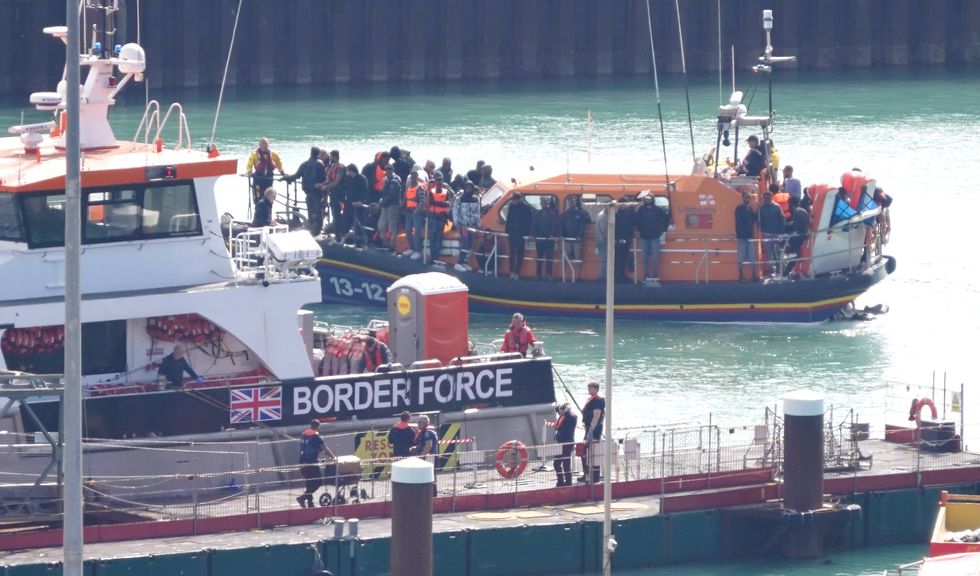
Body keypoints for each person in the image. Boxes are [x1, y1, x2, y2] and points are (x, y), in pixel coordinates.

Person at [285, 146, 326, 234]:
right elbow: (323, 178)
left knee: (310, 210)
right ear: (318, 154)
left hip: (307, 191)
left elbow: (296, 176)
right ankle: (317, 230)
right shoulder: (320, 164)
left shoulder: (304, 164)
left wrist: (287, 178)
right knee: (318, 210)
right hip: (317, 191)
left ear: (310, 153)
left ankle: (311, 227)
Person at [296, 419, 334, 508]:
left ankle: (310, 503)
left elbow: (314, 448)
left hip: (302, 461)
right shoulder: (316, 437)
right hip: (311, 462)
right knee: (318, 482)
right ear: (319, 426)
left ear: (311, 425)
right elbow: (325, 448)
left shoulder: (304, 435)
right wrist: (332, 456)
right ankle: (302, 498)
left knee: (309, 482)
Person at [635, 195, 669, 280]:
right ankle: (645, 275)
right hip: (644, 237)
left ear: (652, 200)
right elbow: (636, 220)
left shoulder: (658, 210)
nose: (647, 201)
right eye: (646, 199)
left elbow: (666, 218)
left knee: (655, 257)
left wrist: (663, 230)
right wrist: (639, 230)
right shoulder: (641, 209)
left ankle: (654, 276)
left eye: (649, 199)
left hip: (655, 236)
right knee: (644, 257)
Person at [578, 380, 605, 484]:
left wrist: (591, 430)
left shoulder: (599, 400)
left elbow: (596, 416)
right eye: (589, 387)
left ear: (596, 389)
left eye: (591, 388)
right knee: (584, 451)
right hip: (588, 428)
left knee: (593, 452)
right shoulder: (591, 399)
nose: (589, 389)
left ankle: (594, 476)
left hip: (594, 430)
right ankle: (587, 473)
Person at [452, 180, 481, 272]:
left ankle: (465, 262)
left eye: (470, 188)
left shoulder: (476, 199)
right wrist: (457, 223)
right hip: (463, 226)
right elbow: (455, 212)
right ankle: (459, 263)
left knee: (470, 245)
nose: (468, 189)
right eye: (467, 187)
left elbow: (478, 212)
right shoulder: (459, 199)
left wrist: (478, 223)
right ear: (464, 188)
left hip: (472, 226)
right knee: (465, 243)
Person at [246, 137, 284, 204]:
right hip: (258, 179)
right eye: (262, 144)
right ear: (259, 145)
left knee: (269, 198)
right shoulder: (254, 154)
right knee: (258, 198)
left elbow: (279, 163)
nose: (264, 146)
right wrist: (249, 172)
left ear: (268, 145)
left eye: (266, 144)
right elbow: (249, 164)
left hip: (268, 179)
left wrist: (282, 172)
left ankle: (268, 211)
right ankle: (258, 210)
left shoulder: (274, 154)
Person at [560, 196, 590, 279]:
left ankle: (576, 277)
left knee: (577, 258)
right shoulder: (565, 214)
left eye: (573, 201)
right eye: (570, 201)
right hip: (567, 240)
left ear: (576, 202)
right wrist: (563, 236)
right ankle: (562, 276)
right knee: (565, 258)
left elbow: (582, 226)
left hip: (577, 240)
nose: (571, 203)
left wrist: (579, 236)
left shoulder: (581, 214)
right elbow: (561, 226)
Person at [505, 192, 533, 278]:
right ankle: (511, 271)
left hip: (521, 235)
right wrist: (507, 231)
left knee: (520, 254)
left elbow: (529, 222)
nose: (512, 201)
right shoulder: (511, 207)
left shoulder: (527, 208)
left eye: (514, 199)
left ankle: (517, 272)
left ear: (519, 199)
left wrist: (528, 234)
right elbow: (509, 219)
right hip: (512, 233)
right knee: (512, 253)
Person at [759, 187, 786, 276]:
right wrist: (762, 230)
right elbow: (760, 221)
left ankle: (781, 268)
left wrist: (780, 233)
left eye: (768, 197)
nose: (766, 199)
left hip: (777, 233)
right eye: (765, 198)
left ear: (771, 197)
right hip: (767, 234)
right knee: (769, 253)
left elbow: (782, 220)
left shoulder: (777, 207)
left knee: (779, 251)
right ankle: (772, 270)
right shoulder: (761, 208)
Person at [530, 196, 559, 279]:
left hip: (549, 240)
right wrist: (533, 234)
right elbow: (534, 225)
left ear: (547, 203)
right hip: (539, 240)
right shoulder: (538, 213)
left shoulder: (552, 213)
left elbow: (554, 226)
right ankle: (538, 274)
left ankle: (549, 274)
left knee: (549, 258)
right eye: (542, 203)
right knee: (539, 257)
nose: (543, 204)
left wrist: (552, 235)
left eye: (545, 203)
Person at [425, 171, 451, 262]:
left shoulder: (446, 192)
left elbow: (448, 204)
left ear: (442, 181)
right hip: (433, 217)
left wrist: (440, 204)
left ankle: (435, 256)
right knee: (432, 237)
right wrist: (442, 203)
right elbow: (431, 202)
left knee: (439, 238)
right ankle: (432, 256)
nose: (439, 182)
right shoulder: (431, 192)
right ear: (435, 181)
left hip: (441, 218)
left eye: (440, 180)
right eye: (437, 180)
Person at [734, 191, 759, 282]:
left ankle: (752, 275)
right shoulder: (739, 208)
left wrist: (757, 209)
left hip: (748, 235)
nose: (748, 199)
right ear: (743, 198)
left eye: (749, 197)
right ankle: (741, 276)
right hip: (743, 236)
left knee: (751, 256)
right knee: (743, 256)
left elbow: (754, 219)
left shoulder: (749, 208)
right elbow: (740, 222)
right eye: (746, 197)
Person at [377, 165, 402, 250]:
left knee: (392, 227)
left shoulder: (395, 181)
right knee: (381, 225)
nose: (387, 171)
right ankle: (384, 242)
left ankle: (392, 245)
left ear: (392, 170)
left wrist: (380, 204)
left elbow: (391, 196)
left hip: (393, 206)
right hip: (385, 206)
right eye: (386, 169)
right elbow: (384, 193)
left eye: (389, 169)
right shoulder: (386, 180)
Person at [553, 402, 578, 487]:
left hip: (567, 443)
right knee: (560, 463)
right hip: (562, 443)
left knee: (563, 464)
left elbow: (568, 414)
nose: (558, 413)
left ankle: (566, 482)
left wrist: (566, 409)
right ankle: (563, 481)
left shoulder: (570, 417)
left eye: (560, 411)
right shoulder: (562, 417)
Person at [784, 203, 812, 276]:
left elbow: (799, 226)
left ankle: (786, 272)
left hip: (799, 237)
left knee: (794, 255)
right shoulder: (802, 211)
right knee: (797, 255)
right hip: (803, 235)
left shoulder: (798, 212)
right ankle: (794, 270)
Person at [323, 150, 345, 235]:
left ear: (335, 157)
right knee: (333, 212)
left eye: (331, 156)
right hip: (332, 193)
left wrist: (326, 186)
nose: (329, 158)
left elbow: (337, 182)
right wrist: (321, 184)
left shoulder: (340, 167)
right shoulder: (332, 166)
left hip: (338, 194)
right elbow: (328, 179)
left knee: (336, 212)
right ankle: (334, 229)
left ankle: (337, 232)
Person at [596, 207, 608, 281]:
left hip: (599, 240)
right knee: (604, 260)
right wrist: (608, 239)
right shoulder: (604, 216)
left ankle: (601, 276)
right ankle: (602, 277)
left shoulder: (599, 214)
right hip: (604, 241)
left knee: (602, 260)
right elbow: (604, 230)